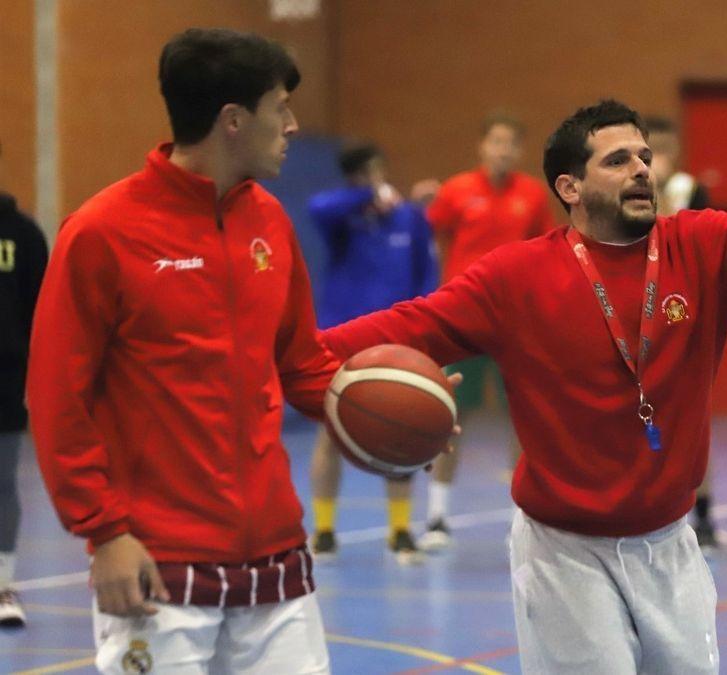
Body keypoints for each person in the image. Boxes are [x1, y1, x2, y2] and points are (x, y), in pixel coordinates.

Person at [322, 99, 727, 673]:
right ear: (570, 188)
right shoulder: (516, 277)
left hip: (670, 541)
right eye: (618, 161)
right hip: (563, 551)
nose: (642, 169)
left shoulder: (701, 245)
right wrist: (295, 357)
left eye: (644, 157)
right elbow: (410, 325)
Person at [27, 29, 342, 673]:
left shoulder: (271, 223)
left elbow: (304, 364)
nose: (292, 124)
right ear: (232, 120)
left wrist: (378, 414)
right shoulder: (102, 232)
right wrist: (105, 532)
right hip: (153, 563)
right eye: (279, 107)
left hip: (275, 561)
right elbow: (57, 396)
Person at [419, 111, 557, 550]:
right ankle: (437, 517)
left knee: (524, 418)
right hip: (463, 320)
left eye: (511, 144)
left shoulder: (532, 196)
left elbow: (544, 252)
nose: (503, 150)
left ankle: (526, 520)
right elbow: (436, 239)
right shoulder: (456, 191)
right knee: (450, 415)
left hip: (516, 322)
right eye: (496, 142)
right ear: (482, 146)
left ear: (518, 151)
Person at [306, 142, 440, 564]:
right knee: (330, 433)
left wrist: (426, 336)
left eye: (376, 173)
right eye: (363, 175)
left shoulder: (409, 218)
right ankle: (324, 530)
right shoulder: (342, 218)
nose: (373, 180)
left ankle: (400, 530)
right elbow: (318, 207)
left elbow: (427, 277)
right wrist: (366, 197)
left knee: (402, 433)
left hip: (396, 341)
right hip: (340, 338)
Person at [644, 115, 721, 552]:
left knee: (693, 415)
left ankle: (705, 514)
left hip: (683, 312)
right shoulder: (628, 189)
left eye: (667, 147)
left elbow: (705, 245)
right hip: (638, 314)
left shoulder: (691, 191)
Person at [0, 141, 49, 629]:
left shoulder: (23, 234)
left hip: (4, 381)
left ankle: (1, 586)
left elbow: (42, 312)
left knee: (1, 484)